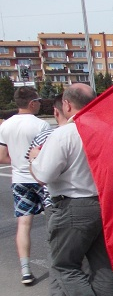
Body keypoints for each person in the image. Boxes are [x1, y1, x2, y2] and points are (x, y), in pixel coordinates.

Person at [29, 84, 113, 296]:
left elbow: (44, 175)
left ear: (67, 105)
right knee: (101, 266)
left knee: (65, 265)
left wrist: (35, 158)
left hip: (72, 206)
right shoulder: (104, 130)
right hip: (101, 203)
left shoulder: (64, 134)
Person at [0, 87, 50, 285]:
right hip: (40, 179)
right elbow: (47, 154)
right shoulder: (41, 125)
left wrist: (18, 161)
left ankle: (26, 271)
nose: (39, 104)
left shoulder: (5, 126)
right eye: (38, 100)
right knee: (53, 223)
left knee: (23, 224)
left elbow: (2, 157)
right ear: (31, 103)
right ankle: (59, 265)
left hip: (19, 180)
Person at [23, 94, 68, 296]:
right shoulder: (88, 133)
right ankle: (86, 292)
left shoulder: (44, 137)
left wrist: (34, 160)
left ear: (56, 111)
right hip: (87, 200)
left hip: (54, 201)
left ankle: (58, 293)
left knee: (56, 249)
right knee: (88, 250)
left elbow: (38, 172)